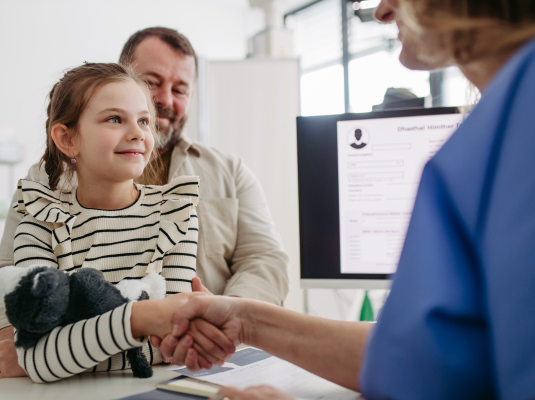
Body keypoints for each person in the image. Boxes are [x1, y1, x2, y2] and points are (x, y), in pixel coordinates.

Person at [154, 0, 535, 398]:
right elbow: (426, 360)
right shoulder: (499, 127)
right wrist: (244, 319)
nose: (383, 11)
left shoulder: (509, 133)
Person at [0, 27, 288, 377]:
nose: (166, 98)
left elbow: (265, 259)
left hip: (196, 366)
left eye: (180, 89)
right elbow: (7, 276)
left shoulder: (226, 174)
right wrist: (24, 345)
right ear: (123, 75)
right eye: (153, 82)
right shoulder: (42, 190)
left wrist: (222, 319)